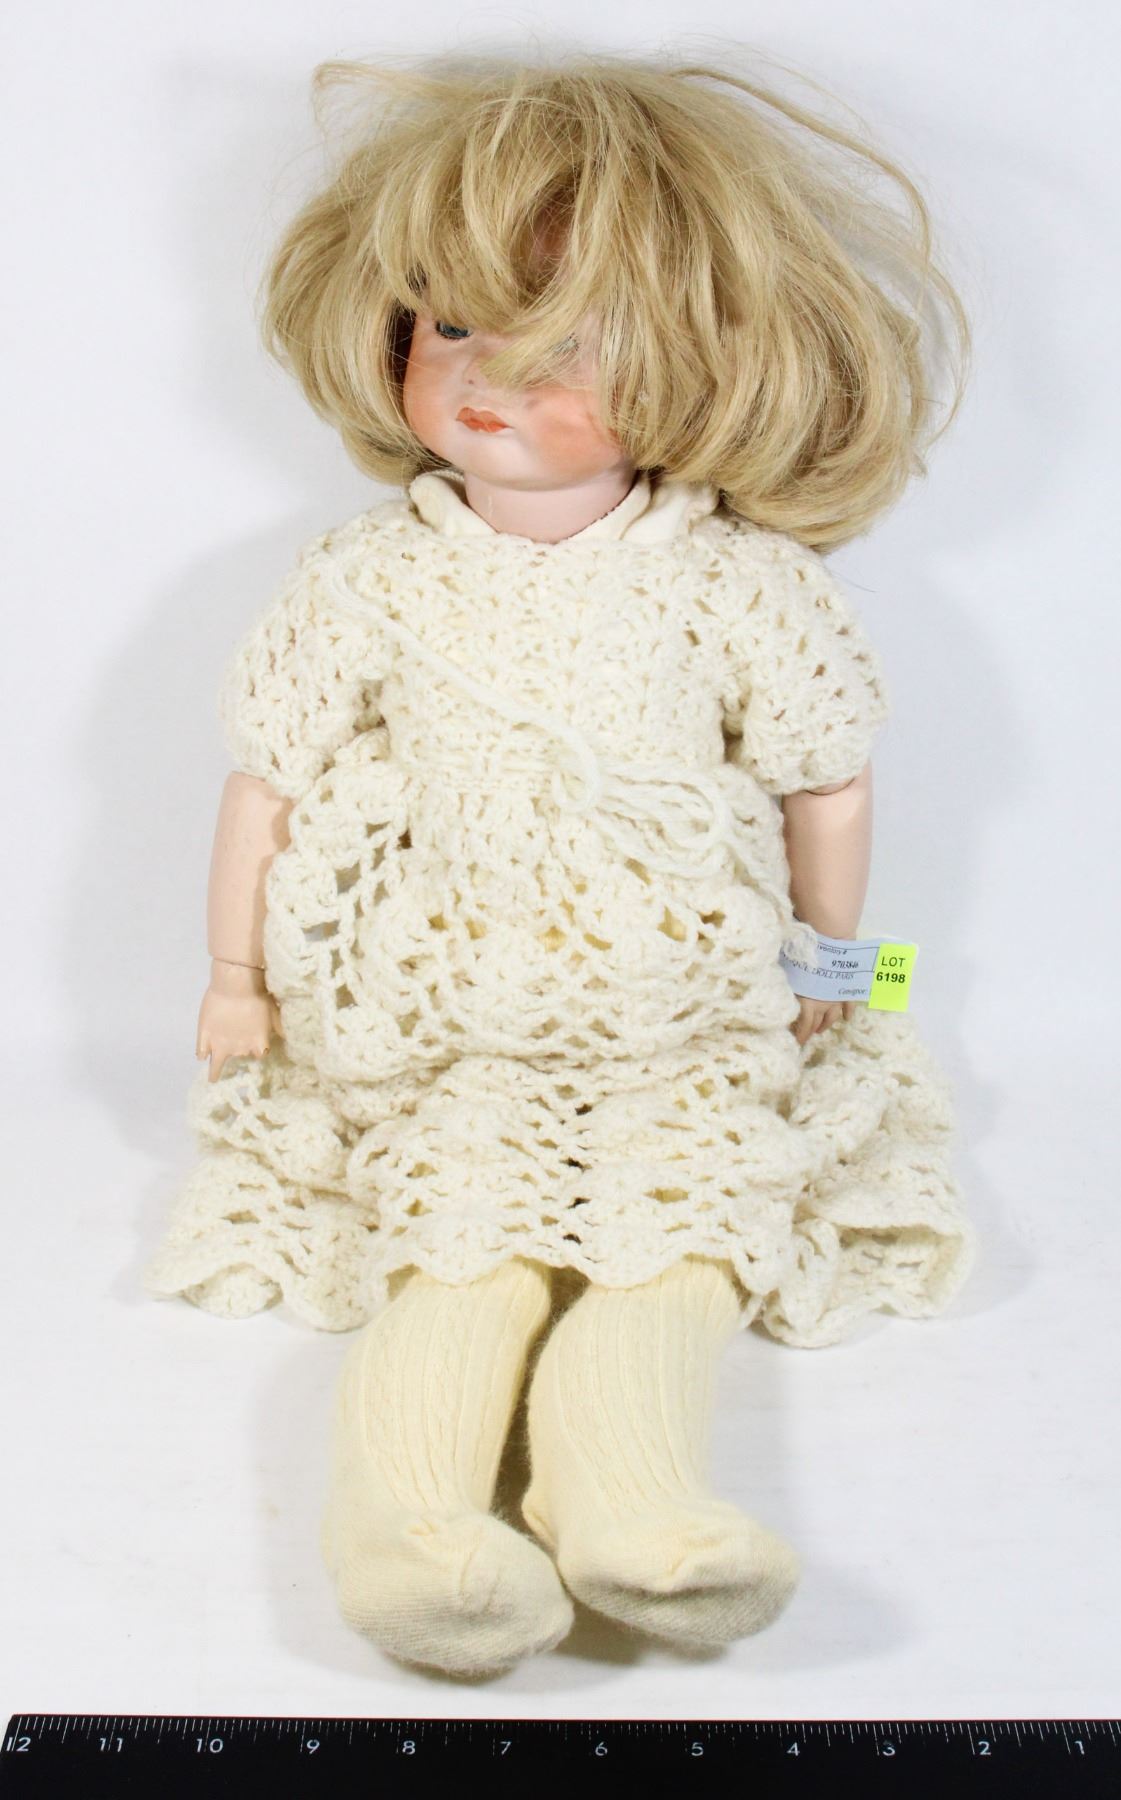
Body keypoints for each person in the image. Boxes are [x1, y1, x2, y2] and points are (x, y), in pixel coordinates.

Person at [144, 47, 979, 1676]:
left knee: (684, 1237)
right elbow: (267, 789)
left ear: (708, 367)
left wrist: (832, 970)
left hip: (691, 1012)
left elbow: (826, 788)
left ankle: (635, 1508)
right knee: (459, 1249)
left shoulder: (737, 586)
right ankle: (408, 1536)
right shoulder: (365, 583)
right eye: (451, 327)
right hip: (445, 1015)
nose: (487, 385)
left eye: (567, 350)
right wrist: (235, 976)